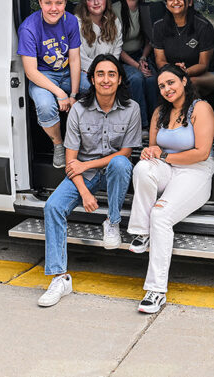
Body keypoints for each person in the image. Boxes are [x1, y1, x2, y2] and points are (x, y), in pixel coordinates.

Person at [38, 54, 142, 307]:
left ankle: (113, 222)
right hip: (83, 173)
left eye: (111, 74)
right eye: (100, 74)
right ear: (92, 79)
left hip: (112, 169)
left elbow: (125, 154)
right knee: (53, 207)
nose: (106, 80)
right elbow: (72, 162)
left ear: (119, 80)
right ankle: (60, 278)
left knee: (119, 163)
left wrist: (88, 164)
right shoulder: (79, 110)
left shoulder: (132, 109)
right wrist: (84, 192)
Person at [127, 64, 214, 313]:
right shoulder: (159, 113)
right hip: (169, 168)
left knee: (161, 216)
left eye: (171, 83)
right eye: (162, 86)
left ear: (184, 81)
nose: (167, 89)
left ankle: (155, 291)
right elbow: (155, 149)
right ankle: (140, 231)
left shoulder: (201, 109)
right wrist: (150, 151)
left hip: (195, 171)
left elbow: (201, 153)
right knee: (142, 168)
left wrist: (163, 156)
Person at [18, 0, 81, 168]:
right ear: (39, 3)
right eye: (48, 3)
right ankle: (58, 145)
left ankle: (94, 140)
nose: (54, 8)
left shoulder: (70, 21)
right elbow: (30, 71)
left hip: (67, 72)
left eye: (59, 3)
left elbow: (75, 60)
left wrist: (74, 95)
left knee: (99, 86)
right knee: (46, 106)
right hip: (42, 76)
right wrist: (60, 94)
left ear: (65, 3)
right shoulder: (29, 28)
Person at [152, 0, 214, 96]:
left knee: (188, 83)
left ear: (190, 2)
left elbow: (203, 65)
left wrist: (184, 72)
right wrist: (174, 72)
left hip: (207, 73)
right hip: (173, 73)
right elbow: (160, 61)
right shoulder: (159, 26)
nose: (175, 2)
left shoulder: (203, 26)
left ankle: (192, 114)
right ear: (166, 4)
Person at [112, 0, 157, 139]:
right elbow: (115, 46)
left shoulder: (145, 9)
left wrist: (143, 59)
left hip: (141, 54)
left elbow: (149, 40)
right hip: (120, 56)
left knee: (152, 79)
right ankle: (142, 126)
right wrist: (137, 65)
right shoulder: (115, 9)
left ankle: (156, 123)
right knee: (137, 79)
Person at [75, 0, 123, 92]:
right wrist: (99, 73)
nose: (96, 2)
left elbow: (117, 49)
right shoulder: (77, 22)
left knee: (130, 81)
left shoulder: (114, 21)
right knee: (98, 87)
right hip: (85, 72)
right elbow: (79, 56)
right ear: (85, 3)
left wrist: (109, 72)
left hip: (110, 70)